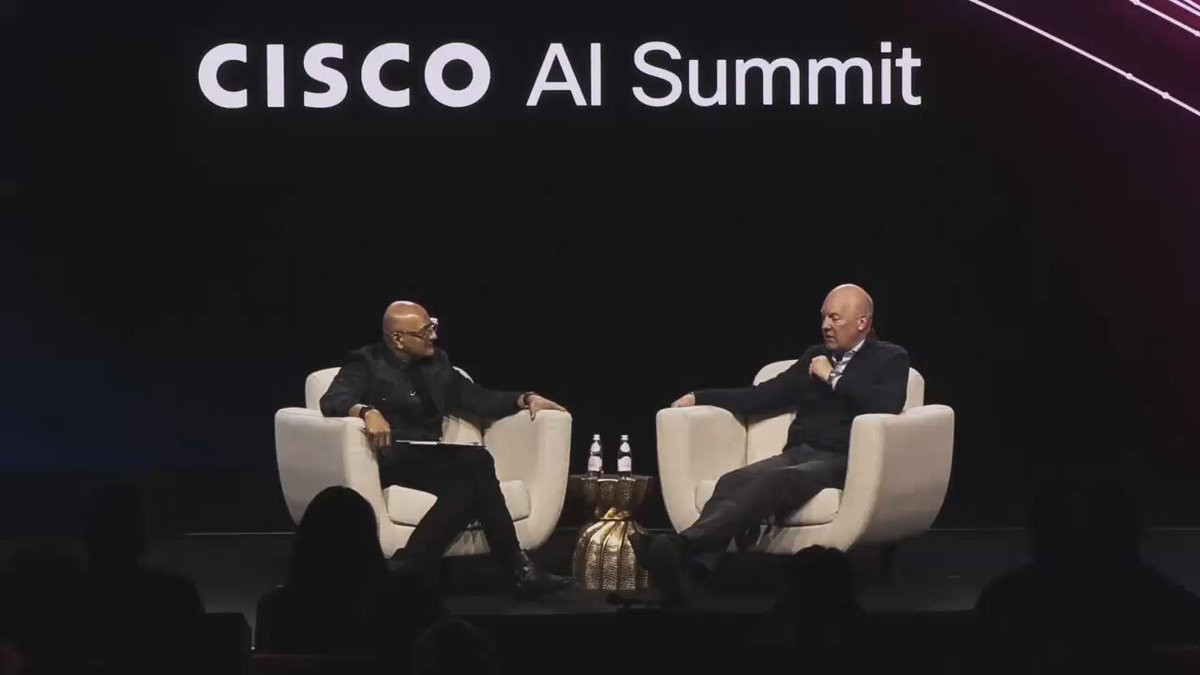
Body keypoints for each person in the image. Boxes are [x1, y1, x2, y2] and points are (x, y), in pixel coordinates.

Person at [635, 284, 910, 601]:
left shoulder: (890, 357)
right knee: (734, 480)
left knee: (779, 480)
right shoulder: (816, 356)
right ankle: (696, 572)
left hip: (844, 457)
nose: (826, 325)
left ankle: (681, 546)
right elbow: (763, 396)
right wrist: (700, 396)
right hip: (800, 451)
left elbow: (887, 403)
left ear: (862, 322)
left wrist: (832, 377)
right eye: (823, 317)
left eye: (835, 318)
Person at [320, 301, 573, 597]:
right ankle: (517, 569)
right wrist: (365, 411)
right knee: (477, 463)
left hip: (428, 456)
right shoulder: (365, 362)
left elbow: (478, 398)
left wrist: (525, 398)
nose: (434, 336)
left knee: (468, 483)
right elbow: (333, 399)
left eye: (433, 327)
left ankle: (409, 565)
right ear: (398, 339)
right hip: (387, 456)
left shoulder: (437, 363)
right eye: (425, 331)